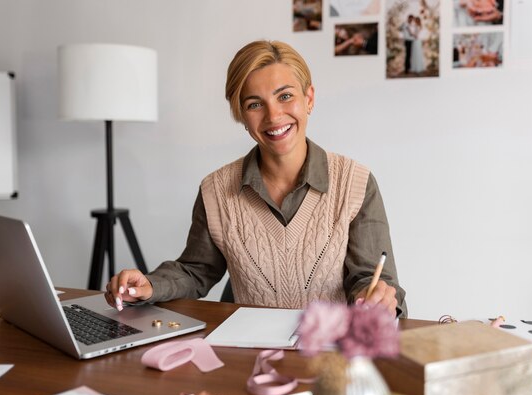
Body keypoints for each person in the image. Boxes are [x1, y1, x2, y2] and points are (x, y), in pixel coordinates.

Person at [105, 40, 407, 318]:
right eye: (254, 104)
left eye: (285, 96)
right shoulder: (215, 191)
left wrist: (375, 296)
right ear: (240, 114)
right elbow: (196, 271)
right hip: (249, 356)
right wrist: (149, 285)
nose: (274, 116)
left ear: (309, 98)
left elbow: (370, 279)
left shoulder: (355, 183)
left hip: (331, 357)